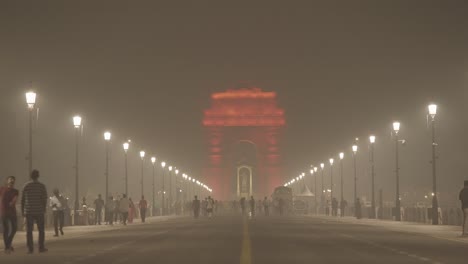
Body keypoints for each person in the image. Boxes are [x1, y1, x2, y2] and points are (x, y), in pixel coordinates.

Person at [21, 170, 48, 253]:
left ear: (31, 176)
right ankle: (41, 247)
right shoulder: (42, 186)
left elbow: (22, 200)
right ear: (38, 176)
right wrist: (43, 208)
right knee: (41, 230)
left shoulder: (26, 186)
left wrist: (23, 211)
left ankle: (30, 248)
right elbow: (44, 199)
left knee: (29, 231)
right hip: (39, 210)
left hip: (29, 211)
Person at [0, 176, 19, 254]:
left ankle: (8, 243)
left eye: (13, 180)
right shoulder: (1, 189)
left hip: (12, 212)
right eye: (10, 179)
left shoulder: (16, 191)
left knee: (14, 228)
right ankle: (7, 247)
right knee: (6, 229)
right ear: (7, 181)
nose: (12, 180)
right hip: (3, 211)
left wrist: (12, 202)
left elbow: (15, 199)